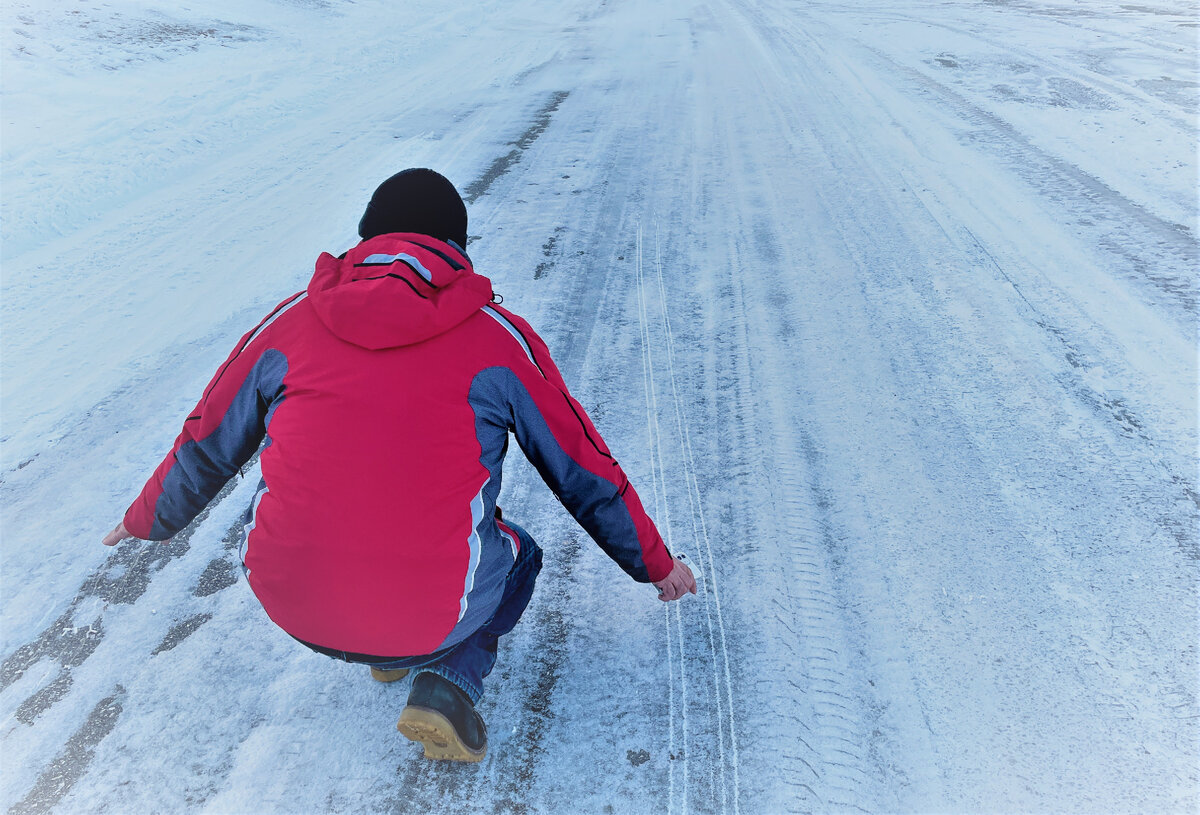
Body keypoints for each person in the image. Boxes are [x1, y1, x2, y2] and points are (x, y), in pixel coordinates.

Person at [102, 168, 697, 762]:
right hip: (429, 614)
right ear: (456, 249)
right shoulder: (497, 339)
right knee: (520, 554)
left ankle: (388, 648)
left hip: (291, 603)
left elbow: (207, 438)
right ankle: (449, 681)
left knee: (334, 507)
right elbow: (580, 466)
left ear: (365, 239)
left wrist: (145, 517)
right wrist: (654, 563)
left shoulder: (287, 323)